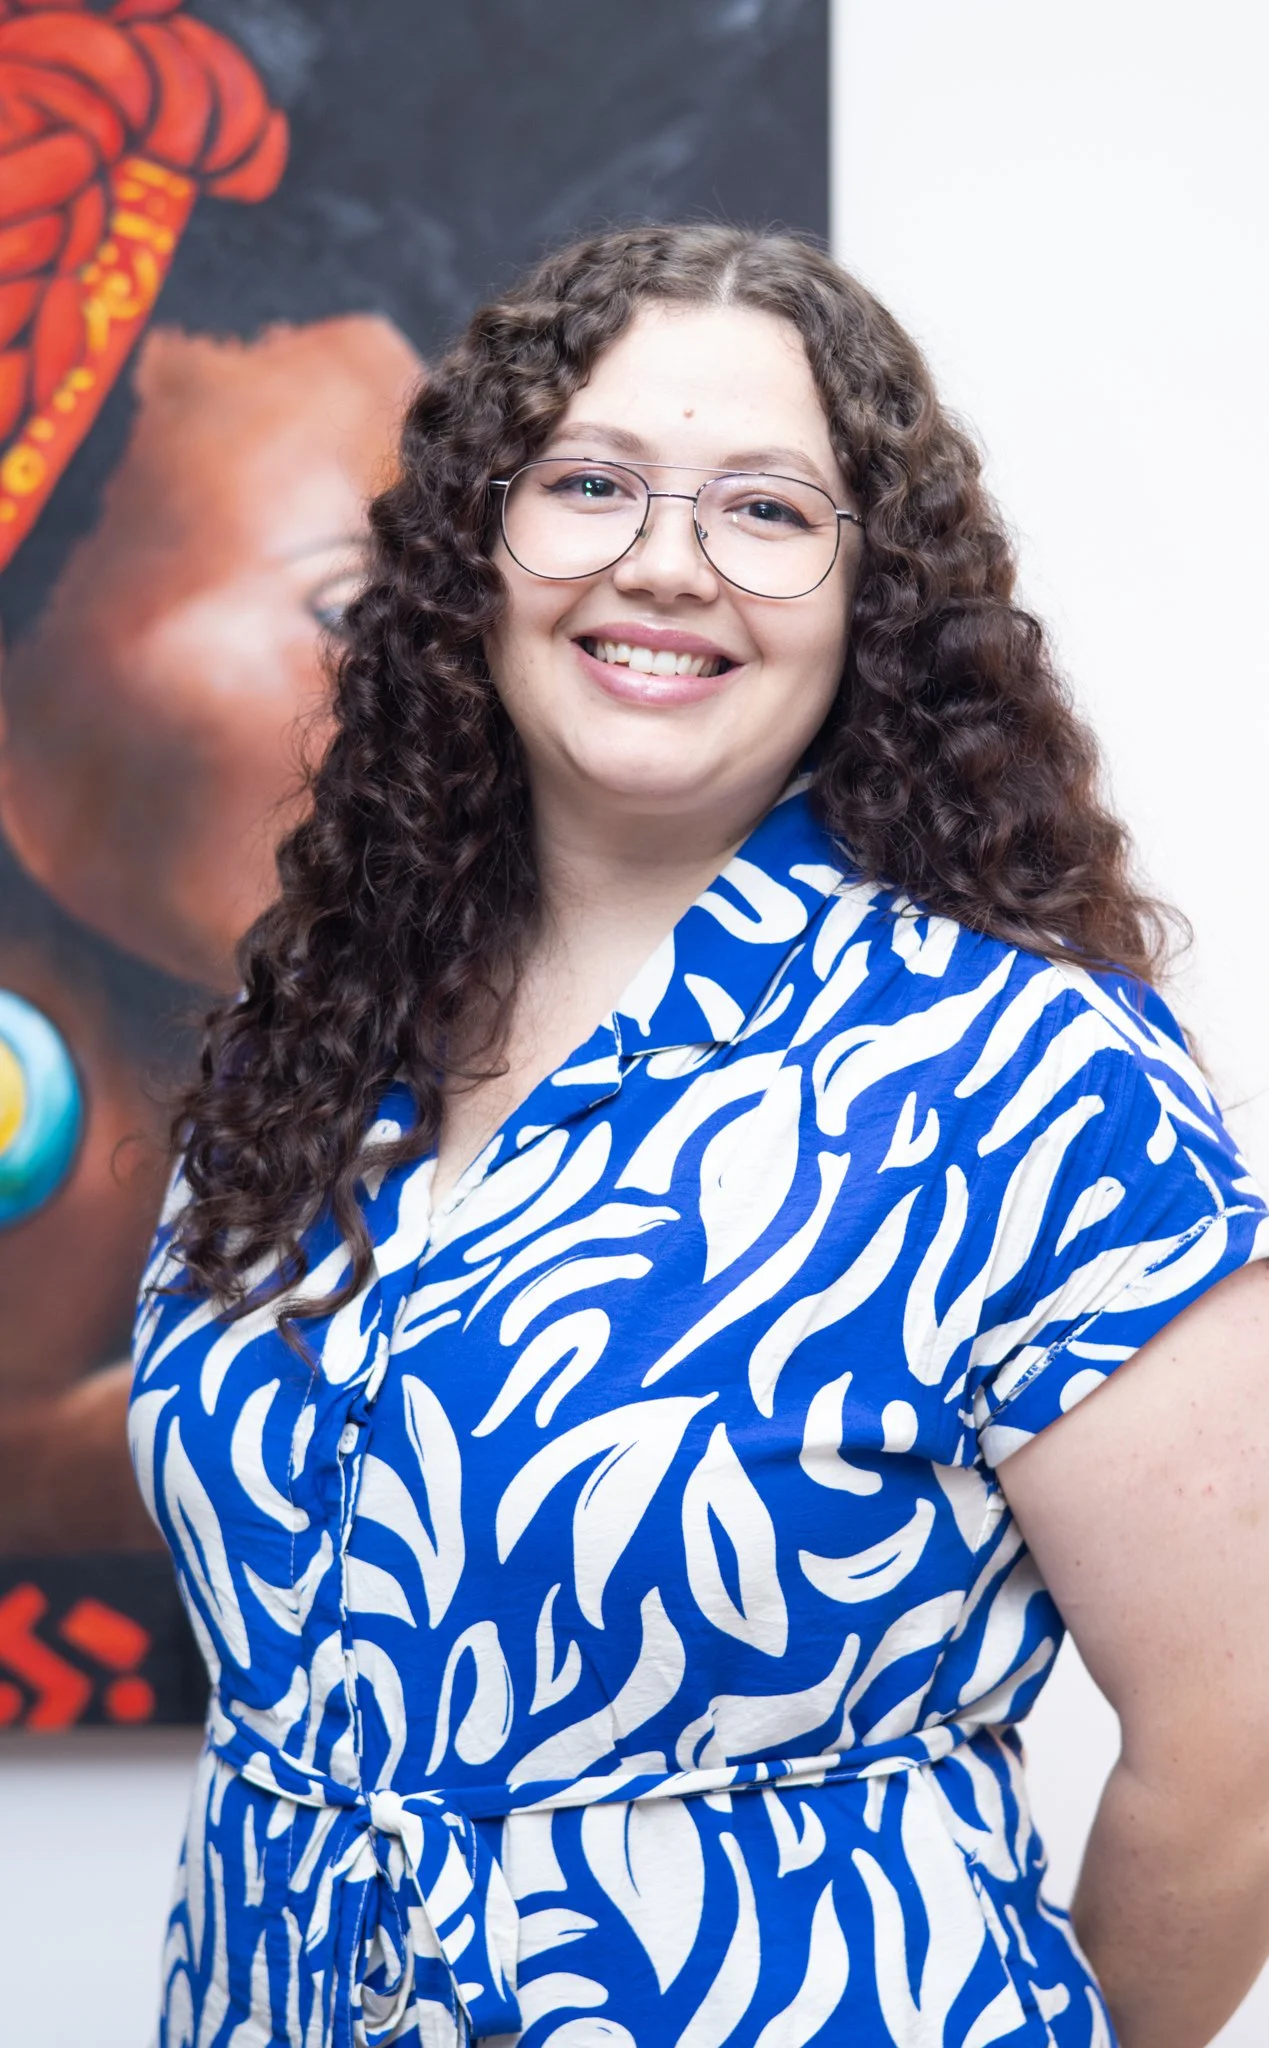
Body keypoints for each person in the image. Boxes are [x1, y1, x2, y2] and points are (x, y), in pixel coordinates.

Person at [132, 225, 1269, 2048]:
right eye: (589, 485)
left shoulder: (1029, 1079)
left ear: (868, 595)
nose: (665, 566)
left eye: (765, 510)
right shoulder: (315, 1039)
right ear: (469, 559)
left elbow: (1240, 1761)